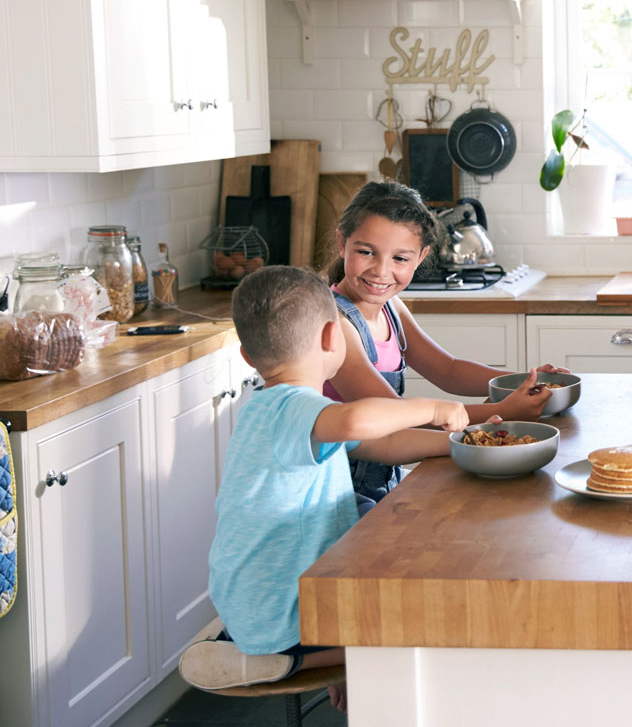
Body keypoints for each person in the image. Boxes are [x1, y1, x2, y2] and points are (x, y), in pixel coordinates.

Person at [180, 266, 469, 709]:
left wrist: (458, 446)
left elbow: (383, 443)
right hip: (279, 618)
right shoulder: (296, 409)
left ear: (246, 356)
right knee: (428, 624)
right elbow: (358, 419)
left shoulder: (274, 411)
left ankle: (331, 657)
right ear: (334, 338)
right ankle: (285, 659)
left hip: (255, 602)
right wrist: (431, 407)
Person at [323, 181, 567, 510]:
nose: (381, 271)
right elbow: (393, 413)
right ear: (342, 242)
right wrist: (503, 412)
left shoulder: (392, 308)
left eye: (399, 258)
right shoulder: (335, 322)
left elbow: (447, 370)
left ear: (421, 256)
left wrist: (525, 380)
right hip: (337, 493)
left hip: (384, 480)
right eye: (366, 252)